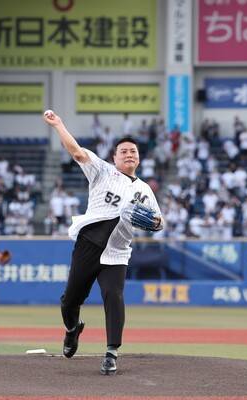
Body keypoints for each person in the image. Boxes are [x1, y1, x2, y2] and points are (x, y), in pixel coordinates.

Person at [43, 109, 164, 376]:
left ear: (139, 158)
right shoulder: (102, 171)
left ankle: (111, 353)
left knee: (114, 296)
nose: (129, 154)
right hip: (88, 245)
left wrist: (155, 223)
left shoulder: (145, 190)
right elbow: (77, 153)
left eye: (133, 151)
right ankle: (72, 329)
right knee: (70, 300)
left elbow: (159, 222)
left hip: (118, 251)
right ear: (114, 157)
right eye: (124, 151)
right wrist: (59, 124)